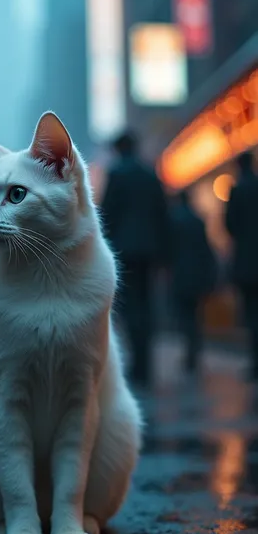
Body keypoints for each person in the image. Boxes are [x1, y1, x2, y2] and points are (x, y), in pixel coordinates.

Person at [101, 131, 170, 385]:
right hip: (149, 251)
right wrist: (164, 253)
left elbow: (106, 215)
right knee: (148, 306)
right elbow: (163, 214)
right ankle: (146, 365)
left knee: (129, 308)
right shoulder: (150, 174)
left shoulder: (117, 174)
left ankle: (137, 367)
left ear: (119, 148)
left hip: (124, 252)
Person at [171, 191, 217, 372]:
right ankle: (194, 350)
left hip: (180, 274)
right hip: (197, 274)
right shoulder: (198, 221)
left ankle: (190, 352)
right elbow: (206, 249)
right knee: (195, 314)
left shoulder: (174, 221)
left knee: (185, 315)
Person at [225, 151, 258, 381]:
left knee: (251, 313)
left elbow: (229, 225)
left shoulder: (236, 191)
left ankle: (255, 362)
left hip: (246, 263)